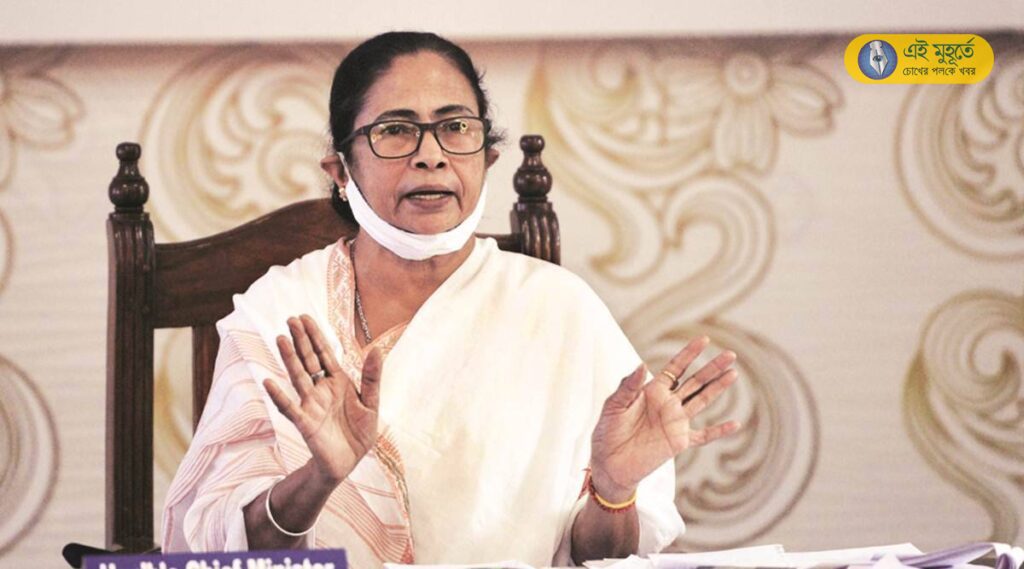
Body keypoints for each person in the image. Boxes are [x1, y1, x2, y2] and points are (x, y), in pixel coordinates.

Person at [161, 31, 741, 568]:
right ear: (340, 170)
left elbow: (598, 561)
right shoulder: (281, 312)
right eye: (396, 130)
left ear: (487, 157)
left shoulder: (561, 310)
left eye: (456, 127)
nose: (431, 155)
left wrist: (613, 491)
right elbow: (214, 551)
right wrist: (318, 479)